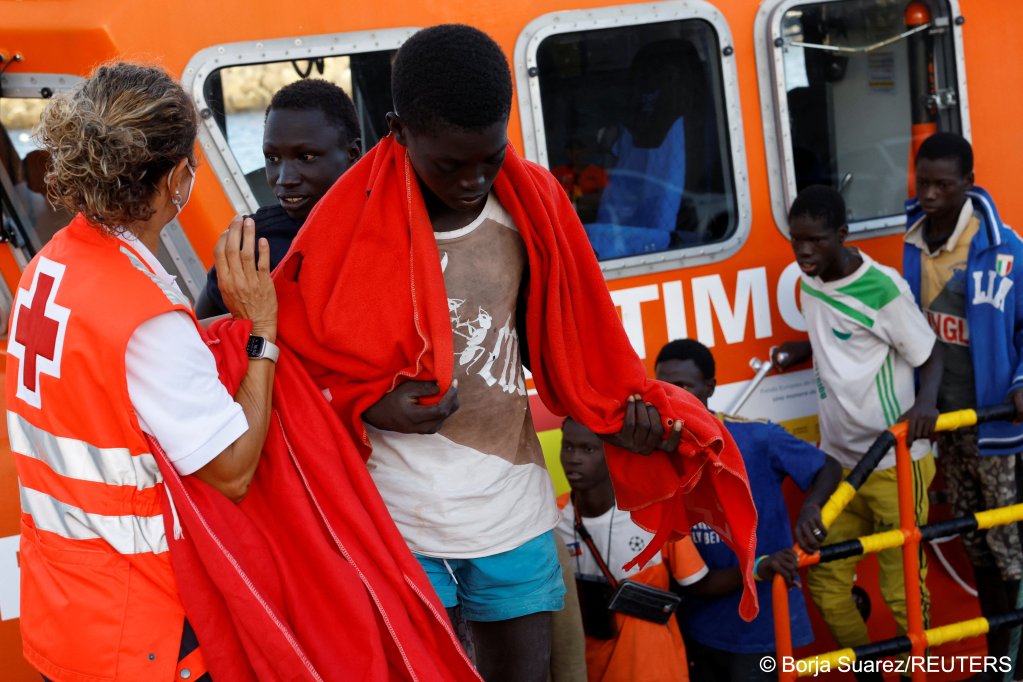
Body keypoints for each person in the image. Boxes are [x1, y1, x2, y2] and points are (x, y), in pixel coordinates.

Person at [273, 24, 760, 682]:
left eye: (490, 158)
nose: (474, 180)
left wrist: (622, 418)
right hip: (395, 520)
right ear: (398, 129)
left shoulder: (532, 206)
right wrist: (369, 405)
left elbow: (566, 350)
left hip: (512, 511)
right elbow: (292, 373)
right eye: (450, 165)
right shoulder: (337, 230)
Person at [6, 62, 276, 682]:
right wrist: (262, 331)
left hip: (63, 609)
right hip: (138, 631)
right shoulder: (146, 324)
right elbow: (233, 472)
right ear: (177, 176)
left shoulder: (48, 266)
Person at [773, 185, 943, 681]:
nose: (804, 251)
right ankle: (870, 673)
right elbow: (838, 337)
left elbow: (930, 353)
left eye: (816, 240)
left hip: (896, 463)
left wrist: (926, 405)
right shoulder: (809, 283)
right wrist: (801, 351)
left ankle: (922, 675)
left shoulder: (882, 288)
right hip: (839, 465)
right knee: (824, 583)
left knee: (903, 591)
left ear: (842, 236)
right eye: (796, 240)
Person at [902, 131, 1023, 673]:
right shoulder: (912, 243)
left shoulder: (1005, 249)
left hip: (996, 424)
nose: (929, 194)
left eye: (942, 185)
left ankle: (1014, 656)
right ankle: (997, 652)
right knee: (973, 544)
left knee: (1009, 546)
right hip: (946, 422)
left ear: (968, 185)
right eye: (923, 182)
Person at [655, 339, 841, 682]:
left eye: (683, 386)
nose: (672, 397)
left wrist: (811, 508)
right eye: (663, 387)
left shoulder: (755, 437)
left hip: (758, 626)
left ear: (709, 388)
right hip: (691, 624)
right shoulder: (654, 453)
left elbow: (828, 467)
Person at [555, 417, 707, 682]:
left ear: (612, 454)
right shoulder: (551, 517)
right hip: (587, 668)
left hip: (655, 668)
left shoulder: (653, 510)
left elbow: (697, 583)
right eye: (567, 447)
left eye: (588, 449)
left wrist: (757, 568)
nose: (574, 458)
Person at [194, 78, 361, 317]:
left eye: (306, 157)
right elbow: (203, 338)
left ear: (352, 155)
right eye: (272, 159)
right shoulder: (254, 246)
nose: (284, 178)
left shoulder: (391, 227)